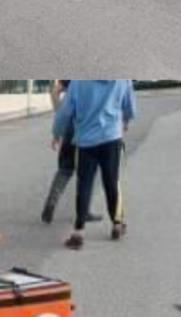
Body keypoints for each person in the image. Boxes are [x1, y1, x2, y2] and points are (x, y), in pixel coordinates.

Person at [53, 80, 136, 250]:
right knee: (112, 182)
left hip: (85, 142)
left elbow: (65, 111)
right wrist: (127, 119)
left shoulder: (78, 81)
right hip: (111, 138)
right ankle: (117, 224)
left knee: (84, 185)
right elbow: (129, 105)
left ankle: (78, 232)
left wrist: (57, 133)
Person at [41, 80, 101, 224]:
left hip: (70, 126)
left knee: (65, 169)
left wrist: (60, 114)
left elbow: (55, 91)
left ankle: (51, 203)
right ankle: (84, 211)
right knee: (87, 173)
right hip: (90, 127)